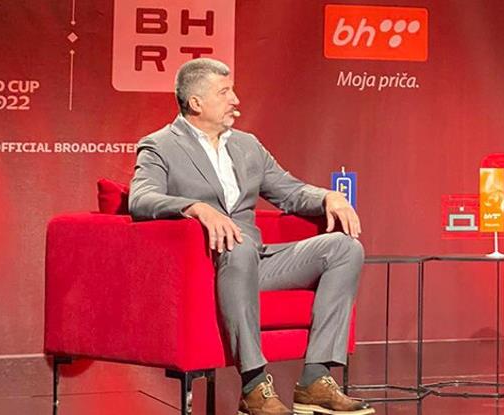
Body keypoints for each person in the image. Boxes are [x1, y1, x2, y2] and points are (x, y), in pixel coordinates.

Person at [129, 58, 374, 415]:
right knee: (239, 247)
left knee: (344, 248)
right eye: (225, 92)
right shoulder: (160, 145)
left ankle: (315, 380)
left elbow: (289, 192)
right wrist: (195, 207)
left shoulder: (247, 145)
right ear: (196, 102)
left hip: (256, 259)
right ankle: (254, 385)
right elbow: (141, 199)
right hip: (209, 264)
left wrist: (327, 197)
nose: (236, 100)